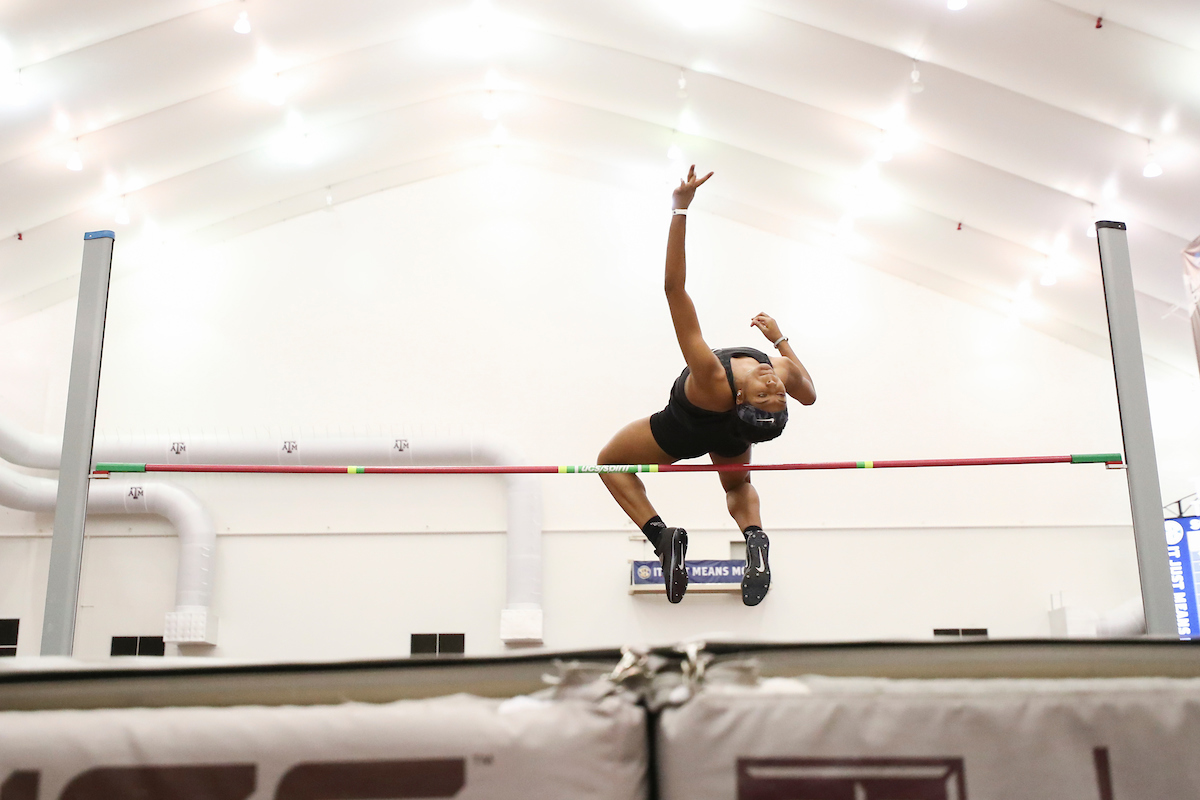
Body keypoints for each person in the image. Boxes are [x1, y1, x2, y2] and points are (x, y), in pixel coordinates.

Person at [597, 166, 817, 606]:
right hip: (729, 435)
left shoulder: (713, 376)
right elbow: (808, 393)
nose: (774, 384)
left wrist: (679, 211)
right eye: (775, 395)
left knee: (609, 464)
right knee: (736, 485)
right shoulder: (780, 369)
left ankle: (663, 538)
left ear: (740, 398)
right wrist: (778, 339)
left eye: (765, 391)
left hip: (680, 431)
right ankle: (754, 539)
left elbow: (673, 289)